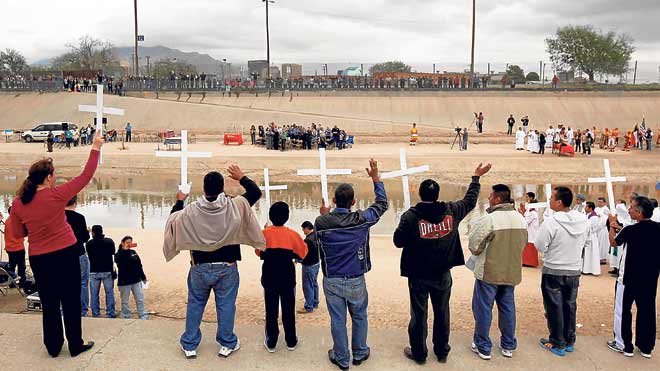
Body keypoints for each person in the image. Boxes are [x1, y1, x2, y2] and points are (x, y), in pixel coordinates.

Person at [9, 133, 103, 357]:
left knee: (49, 303)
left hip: (40, 258)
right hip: (66, 254)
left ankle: (53, 347)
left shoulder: (18, 203)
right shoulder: (57, 195)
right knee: (70, 300)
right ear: (49, 177)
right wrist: (96, 147)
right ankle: (75, 345)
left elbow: (18, 233)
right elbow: (86, 175)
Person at [163, 165, 265, 359]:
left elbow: (173, 221)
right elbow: (255, 192)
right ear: (222, 188)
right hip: (227, 266)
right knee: (226, 306)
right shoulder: (235, 205)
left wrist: (179, 201)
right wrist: (241, 177)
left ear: (204, 188)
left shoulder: (191, 210)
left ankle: (190, 344)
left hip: (199, 267)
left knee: (195, 304)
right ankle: (227, 343)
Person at [393, 164, 488, 364]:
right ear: (437, 195)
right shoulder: (451, 211)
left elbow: (398, 241)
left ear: (420, 195)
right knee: (442, 312)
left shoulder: (411, 216)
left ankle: (419, 353)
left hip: (418, 274)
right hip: (442, 273)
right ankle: (442, 351)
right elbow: (470, 201)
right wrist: (475, 178)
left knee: (419, 315)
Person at [315, 159, 388, 370]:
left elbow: (321, 231)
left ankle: (342, 357)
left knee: (338, 320)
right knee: (359, 315)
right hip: (356, 278)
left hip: (332, 279)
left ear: (334, 200)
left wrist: (325, 214)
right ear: (354, 202)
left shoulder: (322, 222)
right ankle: (359, 352)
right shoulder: (362, 219)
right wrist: (376, 179)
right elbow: (382, 205)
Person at [467, 184, 527, 360]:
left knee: (483, 308)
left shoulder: (490, 219)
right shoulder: (520, 219)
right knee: (508, 308)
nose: (489, 199)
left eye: (491, 196)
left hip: (490, 271)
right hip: (511, 271)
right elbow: (523, 243)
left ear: (498, 199)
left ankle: (483, 345)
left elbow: (474, 246)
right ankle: (508, 344)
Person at [535, 186, 591, 356]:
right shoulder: (583, 220)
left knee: (554, 307)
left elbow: (540, 245)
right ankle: (569, 340)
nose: (550, 200)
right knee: (570, 305)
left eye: (552, 198)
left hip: (554, 269)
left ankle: (557, 342)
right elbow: (587, 242)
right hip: (574, 269)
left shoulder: (552, 221)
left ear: (559, 202)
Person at [607, 196, 660, 358]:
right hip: (650, 278)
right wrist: (619, 228)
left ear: (638, 212)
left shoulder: (631, 230)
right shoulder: (657, 228)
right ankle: (646, 347)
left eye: (631, 208)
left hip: (628, 278)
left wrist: (611, 226)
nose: (629, 210)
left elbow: (614, 243)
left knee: (623, 311)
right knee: (647, 311)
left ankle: (624, 344)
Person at [258, 202, 308, 352]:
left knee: (271, 311)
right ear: (287, 216)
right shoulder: (293, 235)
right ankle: (291, 341)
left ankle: (271, 341)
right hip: (287, 278)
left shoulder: (264, 233)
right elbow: (303, 253)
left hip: (269, 277)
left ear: (271, 217)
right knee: (288, 310)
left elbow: (258, 252)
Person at [64, 195, 91, 317]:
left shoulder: (57, 217)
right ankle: (83, 311)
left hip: (62, 254)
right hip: (78, 253)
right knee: (83, 283)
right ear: (75, 202)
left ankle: (64, 309)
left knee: (63, 282)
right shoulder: (79, 218)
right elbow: (84, 238)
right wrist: (87, 232)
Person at [86, 225, 117, 318]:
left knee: (94, 294)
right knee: (109, 292)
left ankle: (96, 313)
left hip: (94, 270)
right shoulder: (109, 241)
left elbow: (89, 254)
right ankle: (110, 312)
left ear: (93, 233)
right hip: (107, 269)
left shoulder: (89, 243)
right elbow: (113, 252)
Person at [115, 236, 147, 320]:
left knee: (140, 298)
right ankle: (126, 315)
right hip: (124, 281)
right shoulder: (118, 254)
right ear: (122, 243)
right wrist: (124, 251)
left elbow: (139, 265)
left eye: (130, 242)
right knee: (125, 300)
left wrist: (143, 277)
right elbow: (119, 262)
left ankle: (142, 314)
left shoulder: (133, 252)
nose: (129, 244)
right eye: (127, 242)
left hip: (136, 280)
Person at [300, 221, 320, 313]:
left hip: (309, 265)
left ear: (307, 228)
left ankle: (309, 306)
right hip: (316, 263)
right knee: (314, 283)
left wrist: (298, 260)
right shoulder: (317, 235)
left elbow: (304, 254)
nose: (303, 231)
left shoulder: (307, 240)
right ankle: (315, 302)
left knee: (308, 286)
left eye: (303, 229)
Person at [3, 207, 26, 286]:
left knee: (12, 266)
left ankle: (12, 284)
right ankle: (22, 282)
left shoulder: (7, 221)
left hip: (9, 248)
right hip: (18, 248)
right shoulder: (18, 222)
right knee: (21, 266)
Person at [519, 192, 540, 267]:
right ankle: (526, 262)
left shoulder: (533, 212)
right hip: (529, 230)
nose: (526, 198)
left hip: (532, 230)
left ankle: (531, 262)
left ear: (531, 198)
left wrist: (522, 213)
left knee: (530, 244)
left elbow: (526, 221)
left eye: (527, 197)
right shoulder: (530, 208)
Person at [582, 202, 601, 276]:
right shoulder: (587, 215)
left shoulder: (594, 217)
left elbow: (593, 227)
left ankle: (592, 270)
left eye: (586, 207)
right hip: (586, 236)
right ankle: (586, 269)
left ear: (590, 208)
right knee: (586, 254)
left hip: (591, 237)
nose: (585, 208)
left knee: (591, 253)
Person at [594, 197, 611, 264]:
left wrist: (601, 216)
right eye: (598, 202)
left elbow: (606, 218)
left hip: (603, 229)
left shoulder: (606, 209)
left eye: (601, 202)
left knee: (603, 243)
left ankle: (603, 258)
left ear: (604, 202)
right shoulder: (596, 209)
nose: (599, 203)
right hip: (596, 228)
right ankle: (597, 257)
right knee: (597, 243)